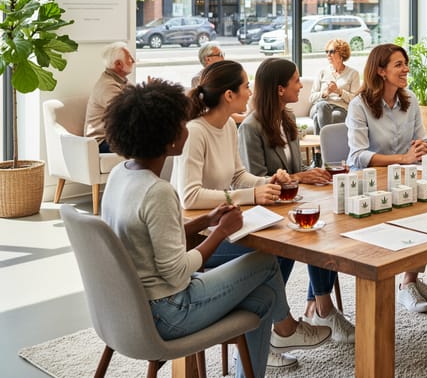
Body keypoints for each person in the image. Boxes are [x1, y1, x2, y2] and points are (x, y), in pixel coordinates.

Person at [100, 80, 292, 378]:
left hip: (128, 309)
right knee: (265, 261)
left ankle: (279, 336)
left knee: (265, 298)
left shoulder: (119, 174)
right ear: (167, 138)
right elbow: (177, 273)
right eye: (182, 123)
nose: (187, 128)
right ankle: (288, 328)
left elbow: (148, 239)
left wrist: (206, 221)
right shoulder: (158, 192)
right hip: (168, 312)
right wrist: (220, 232)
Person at [173, 59, 331, 370]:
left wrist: (269, 182)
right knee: (270, 254)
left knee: (284, 241)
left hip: (221, 223)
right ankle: (284, 327)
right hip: (196, 235)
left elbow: (238, 175)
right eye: (246, 86)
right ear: (229, 95)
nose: (251, 92)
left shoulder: (228, 127)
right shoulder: (196, 132)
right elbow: (189, 196)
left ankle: (273, 334)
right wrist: (250, 195)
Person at [238, 57, 355, 343]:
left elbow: (292, 169)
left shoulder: (286, 119)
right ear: (280, 89)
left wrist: (310, 173)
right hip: (267, 213)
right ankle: (287, 321)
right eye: (296, 80)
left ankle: (321, 308)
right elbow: (258, 180)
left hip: (291, 205)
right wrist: (300, 177)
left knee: (328, 229)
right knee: (308, 237)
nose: (301, 85)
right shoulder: (251, 128)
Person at [346, 43, 427, 314]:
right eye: (398, 65)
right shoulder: (359, 105)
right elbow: (358, 156)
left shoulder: (409, 100)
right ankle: (403, 285)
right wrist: (403, 158)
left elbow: (422, 140)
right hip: (369, 183)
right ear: (380, 71)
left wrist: (421, 148)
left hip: (404, 177)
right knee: (410, 212)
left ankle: (409, 281)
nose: (406, 69)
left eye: (406, 63)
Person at [84, 41, 134, 153]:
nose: (133, 61)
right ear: (118, 64)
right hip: (102, 142)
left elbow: (137, 100)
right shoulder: (108, 86)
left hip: (115, 137)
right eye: (129, 58)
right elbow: (126, 113)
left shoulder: (121, 80)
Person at [309, 38, 360, 133]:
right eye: (327, 51)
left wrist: (339, 91)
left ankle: (320, 142)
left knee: (318, 118)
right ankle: (328, 141)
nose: (328, 54)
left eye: (331, 51)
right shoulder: (322, 72)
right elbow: (311, 98)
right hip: (319, 106)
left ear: (342, 54)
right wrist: (325, 93)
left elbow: (355, 100)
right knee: (322, 106)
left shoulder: (353, 74)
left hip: (341, 108)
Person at [192, 43, 246, 124]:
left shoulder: (224, 75)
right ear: (208, 59)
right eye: (220, 55)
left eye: (223, 54)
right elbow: (214, 111)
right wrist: (246, 118)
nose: (223, 58)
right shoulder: (198, 79)